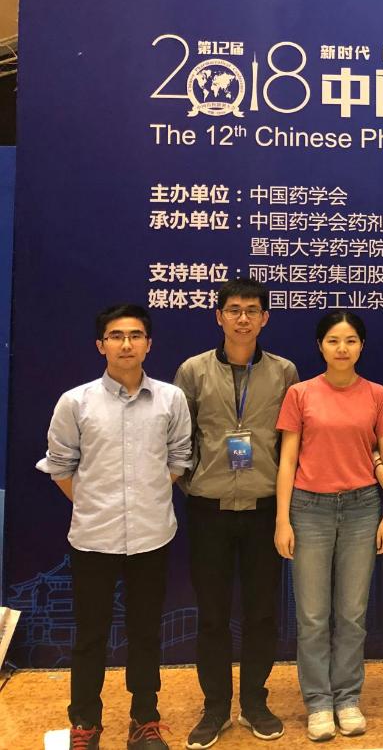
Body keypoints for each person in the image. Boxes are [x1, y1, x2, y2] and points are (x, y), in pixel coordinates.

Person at [37, 304, 192, 750]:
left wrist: (142, 500)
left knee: (146, 632)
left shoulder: (170, 399)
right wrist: (97, 503)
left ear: (149, 344)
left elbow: (179, 458)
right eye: (116, 336)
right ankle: (85, 723)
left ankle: (144, 720)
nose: (126, 344)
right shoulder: (76, 402)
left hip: (151, 536)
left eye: (136, 335)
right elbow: (61, 466)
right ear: (100, 344)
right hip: (93, 537)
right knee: (90, 635)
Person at [175, 279, 298, 749]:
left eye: (251, 310)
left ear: (265, 318)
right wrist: (194, 483)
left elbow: (292, 440)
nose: (242, 318)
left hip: (266, 508)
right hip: (209, 509)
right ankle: (215, 707)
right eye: (233, 310)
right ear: (218, 316)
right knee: (212, 614)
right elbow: (179, 437)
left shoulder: (284, 372)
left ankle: (254, 703)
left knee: (262, 613)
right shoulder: (193, 371)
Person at [273, 311, 383, 742]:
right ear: (320, 346)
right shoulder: (300, 394)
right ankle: (317, 702)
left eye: (350, 341)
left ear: (361, 346)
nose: (342, 348)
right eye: (333, 340)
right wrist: (282, 519)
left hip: (363, 508)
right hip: (309, 509)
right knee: (312, 616)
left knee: (351, 614)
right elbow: (287, 460)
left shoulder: (379, 396)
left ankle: (347, 698)